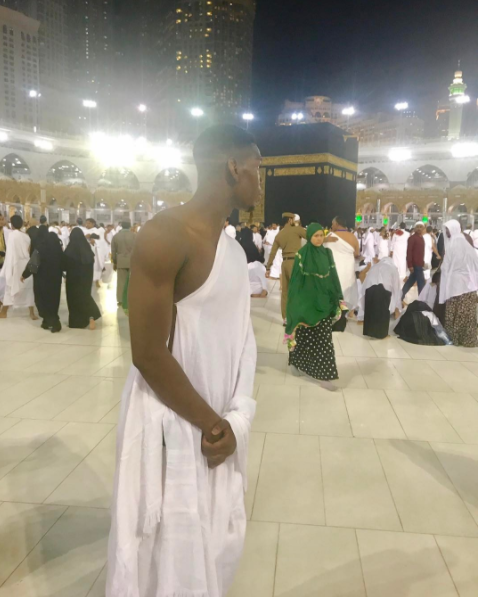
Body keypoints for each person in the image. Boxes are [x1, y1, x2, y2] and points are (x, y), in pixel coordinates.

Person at [106, 125, 259, 597]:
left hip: (217, 423)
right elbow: (148, 354)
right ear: (232, 167)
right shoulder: (165, 235)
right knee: (164, 556)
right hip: (174, 421)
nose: (261, 181)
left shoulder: (234, 250)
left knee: (211, 546)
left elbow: (243, 339)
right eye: (258, 169)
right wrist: (212, 423)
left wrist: (236, 418)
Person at [284, 223, 342, 389]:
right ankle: (295, 363)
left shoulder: (327, 253)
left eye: (321, 235)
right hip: (306, 302)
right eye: (315, 236)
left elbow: (333, 276)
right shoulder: (301, 255)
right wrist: (295, 302)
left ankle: (324, 376)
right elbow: (296, 281)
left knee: (323, 340)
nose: (319, 239)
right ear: (309, 236)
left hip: (323, 302)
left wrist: (337, 296)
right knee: (302, 336)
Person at [439, 219, 478, 347]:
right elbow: (475, 263)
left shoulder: (452, 244)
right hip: (468, 285)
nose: (446, 232)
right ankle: (468, 340)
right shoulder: (466, 242)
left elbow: (445, 266)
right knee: (466, 313)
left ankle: (454, 338)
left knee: (454, 311)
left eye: (448, 230)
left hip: (455, 283)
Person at [265, 212, 306, 324]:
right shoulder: (297, 230)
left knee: (285, 292)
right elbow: (311, 236)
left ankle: (286, 318)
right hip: (296, 262)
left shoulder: (279, 235)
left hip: (285, 263)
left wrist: (268, 268)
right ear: (290, 220)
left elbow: (272, 253)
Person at [22, 229, 63, 332]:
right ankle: (46, 322)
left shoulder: (40, 249)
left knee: (42, 300)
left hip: (42, 280)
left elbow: (33, 265)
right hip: (55, 281)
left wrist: (24, 275)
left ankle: (54, 323)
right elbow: (64, 264)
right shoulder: (58, 250)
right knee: (53, 301)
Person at [63, 227, 101, 329]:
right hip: (86, 278)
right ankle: (91, 316)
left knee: (74, 299)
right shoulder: (86, 247)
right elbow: (91, 261)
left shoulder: (70, 248)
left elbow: (64, 265)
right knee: (85, 296)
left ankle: (77, 322)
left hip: (73, 279)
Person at [0, 215, 37, 320]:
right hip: (25, 264)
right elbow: (29, 251)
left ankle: (3, 313)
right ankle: (32, 313)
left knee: (10, 289)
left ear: (12, 224)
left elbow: (10, 253)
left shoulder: (12, 235)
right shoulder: (26, 236)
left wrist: (7, 269)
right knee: (28, 289)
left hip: (15, 264)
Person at [360, 257, 402, 339]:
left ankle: (369, 331)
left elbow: (366, 282)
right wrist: (396, 305)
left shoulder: (375, 266)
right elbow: (396, 287)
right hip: (384, 291)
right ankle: (382, 334)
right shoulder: (393, 268)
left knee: (370, 310)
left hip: (369, 289)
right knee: (383, 312)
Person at [325, 215, 360, 311]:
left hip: (334, 270)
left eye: (332, 224)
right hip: (348, 270)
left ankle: (336, 310)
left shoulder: (330, 237)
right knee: (347, 292)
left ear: (337, 224)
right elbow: (357, 253)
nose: (331, 226)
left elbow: (324, 252)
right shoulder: (353, 237)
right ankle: (347, 310)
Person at [111, 220, 136, 306]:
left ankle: (121, 300)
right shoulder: (134, 236)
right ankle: (131, 298)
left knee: (121, 281)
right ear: (130, 226)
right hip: (132, 260)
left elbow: (113, 251)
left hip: (121, 260)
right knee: (132, 281)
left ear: (121, 226)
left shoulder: (116, 236)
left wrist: (115, 262)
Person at [239, 227, 268, 298]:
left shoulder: (239, 246)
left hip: (244, 269)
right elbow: (260, 258)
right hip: (255, 268)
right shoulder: (252, 245)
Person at [401, 222, 426, 300]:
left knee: (410, 282)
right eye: (417, 227)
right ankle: (422, 300)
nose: (419, 229)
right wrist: (410, 265)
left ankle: (400, 296)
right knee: (421, 283)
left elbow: (421, 252)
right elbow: (409, 252)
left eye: (421, 227)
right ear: (414, 228)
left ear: (423, 228)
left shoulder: (421, 238)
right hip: (415, 264)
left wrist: (422, 262)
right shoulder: (412, 238)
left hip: (419, 263)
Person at [0, 214, 11, 305]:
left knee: (3, 279)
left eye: (3, 219)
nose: (3, 221)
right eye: (1, 219)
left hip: (4, 259)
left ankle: (2, 298)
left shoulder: (5, 231)